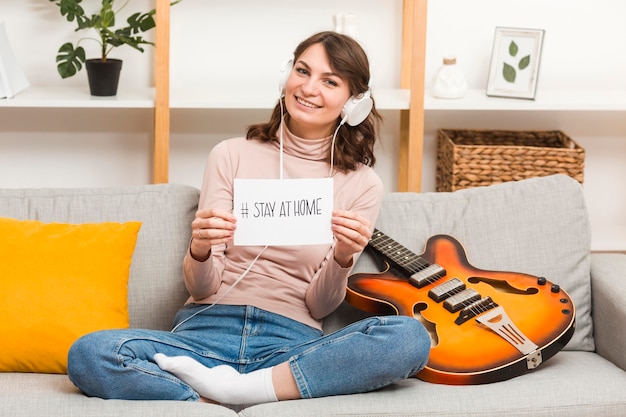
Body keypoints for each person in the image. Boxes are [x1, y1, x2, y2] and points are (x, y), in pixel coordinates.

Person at [67, 31, 430, 405]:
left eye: (330, 81)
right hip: (203, 334)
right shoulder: (231, 155)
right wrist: (202, 247)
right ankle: (226, 395)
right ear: (285, 76)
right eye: (302, 71)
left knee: (410, 338)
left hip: (289, 347)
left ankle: (239, 392)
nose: (308, 88)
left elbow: (320, 307)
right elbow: (202, 289)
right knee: (90, 353)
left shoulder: (362, 183)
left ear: (354, 103)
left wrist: (342, 258)